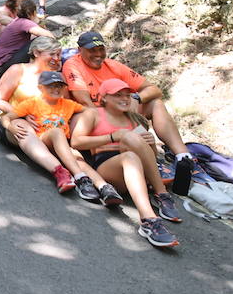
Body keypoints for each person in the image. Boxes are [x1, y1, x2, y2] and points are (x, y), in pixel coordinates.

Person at [63, 30, 194, 194]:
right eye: (92, 50)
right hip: (95, 114)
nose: (98, 54)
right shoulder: (73, 65)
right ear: (80, 50)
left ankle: (183, 156)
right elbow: (85, 102)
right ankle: (125, 158)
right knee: (88, 118)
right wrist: (116, 117)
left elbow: (153, 89)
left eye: (100, 49)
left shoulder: (113, 65)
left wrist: (136, 98)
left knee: (155, 103)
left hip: (121, 111)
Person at [71, 79, 183, 248]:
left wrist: (151, 144)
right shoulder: (93, 114)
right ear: (105, 97)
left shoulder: (134, 119)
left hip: (137, 166)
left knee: (132, 151)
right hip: (109, 165)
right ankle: (149, 218)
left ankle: (158, 203)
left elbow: (151, 157)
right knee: (130, 149)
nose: (125, 99)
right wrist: (112, 137)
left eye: (127, 95)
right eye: (118, 95)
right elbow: (76, 142)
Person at [0, 65, 112, 203]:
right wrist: (10, 127)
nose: (56, 89)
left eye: (59, 86)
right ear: (40, 88)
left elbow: (89, 111)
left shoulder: (68, 104)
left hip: (62, 143)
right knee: (57, 132)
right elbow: (7, 117)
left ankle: (104, 187)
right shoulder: (32, 103)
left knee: (77, 159)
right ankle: (80, 178)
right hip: (43, 139)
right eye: (51, 86)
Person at [0, 0, 52, 78]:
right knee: (41, 41)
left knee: (37, 41)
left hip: (2, 66)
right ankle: (38, 72)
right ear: (33, 13)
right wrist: (37, 21)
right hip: (5, 68)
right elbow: (49, 36)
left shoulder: (17, 21)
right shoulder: (24, 22)